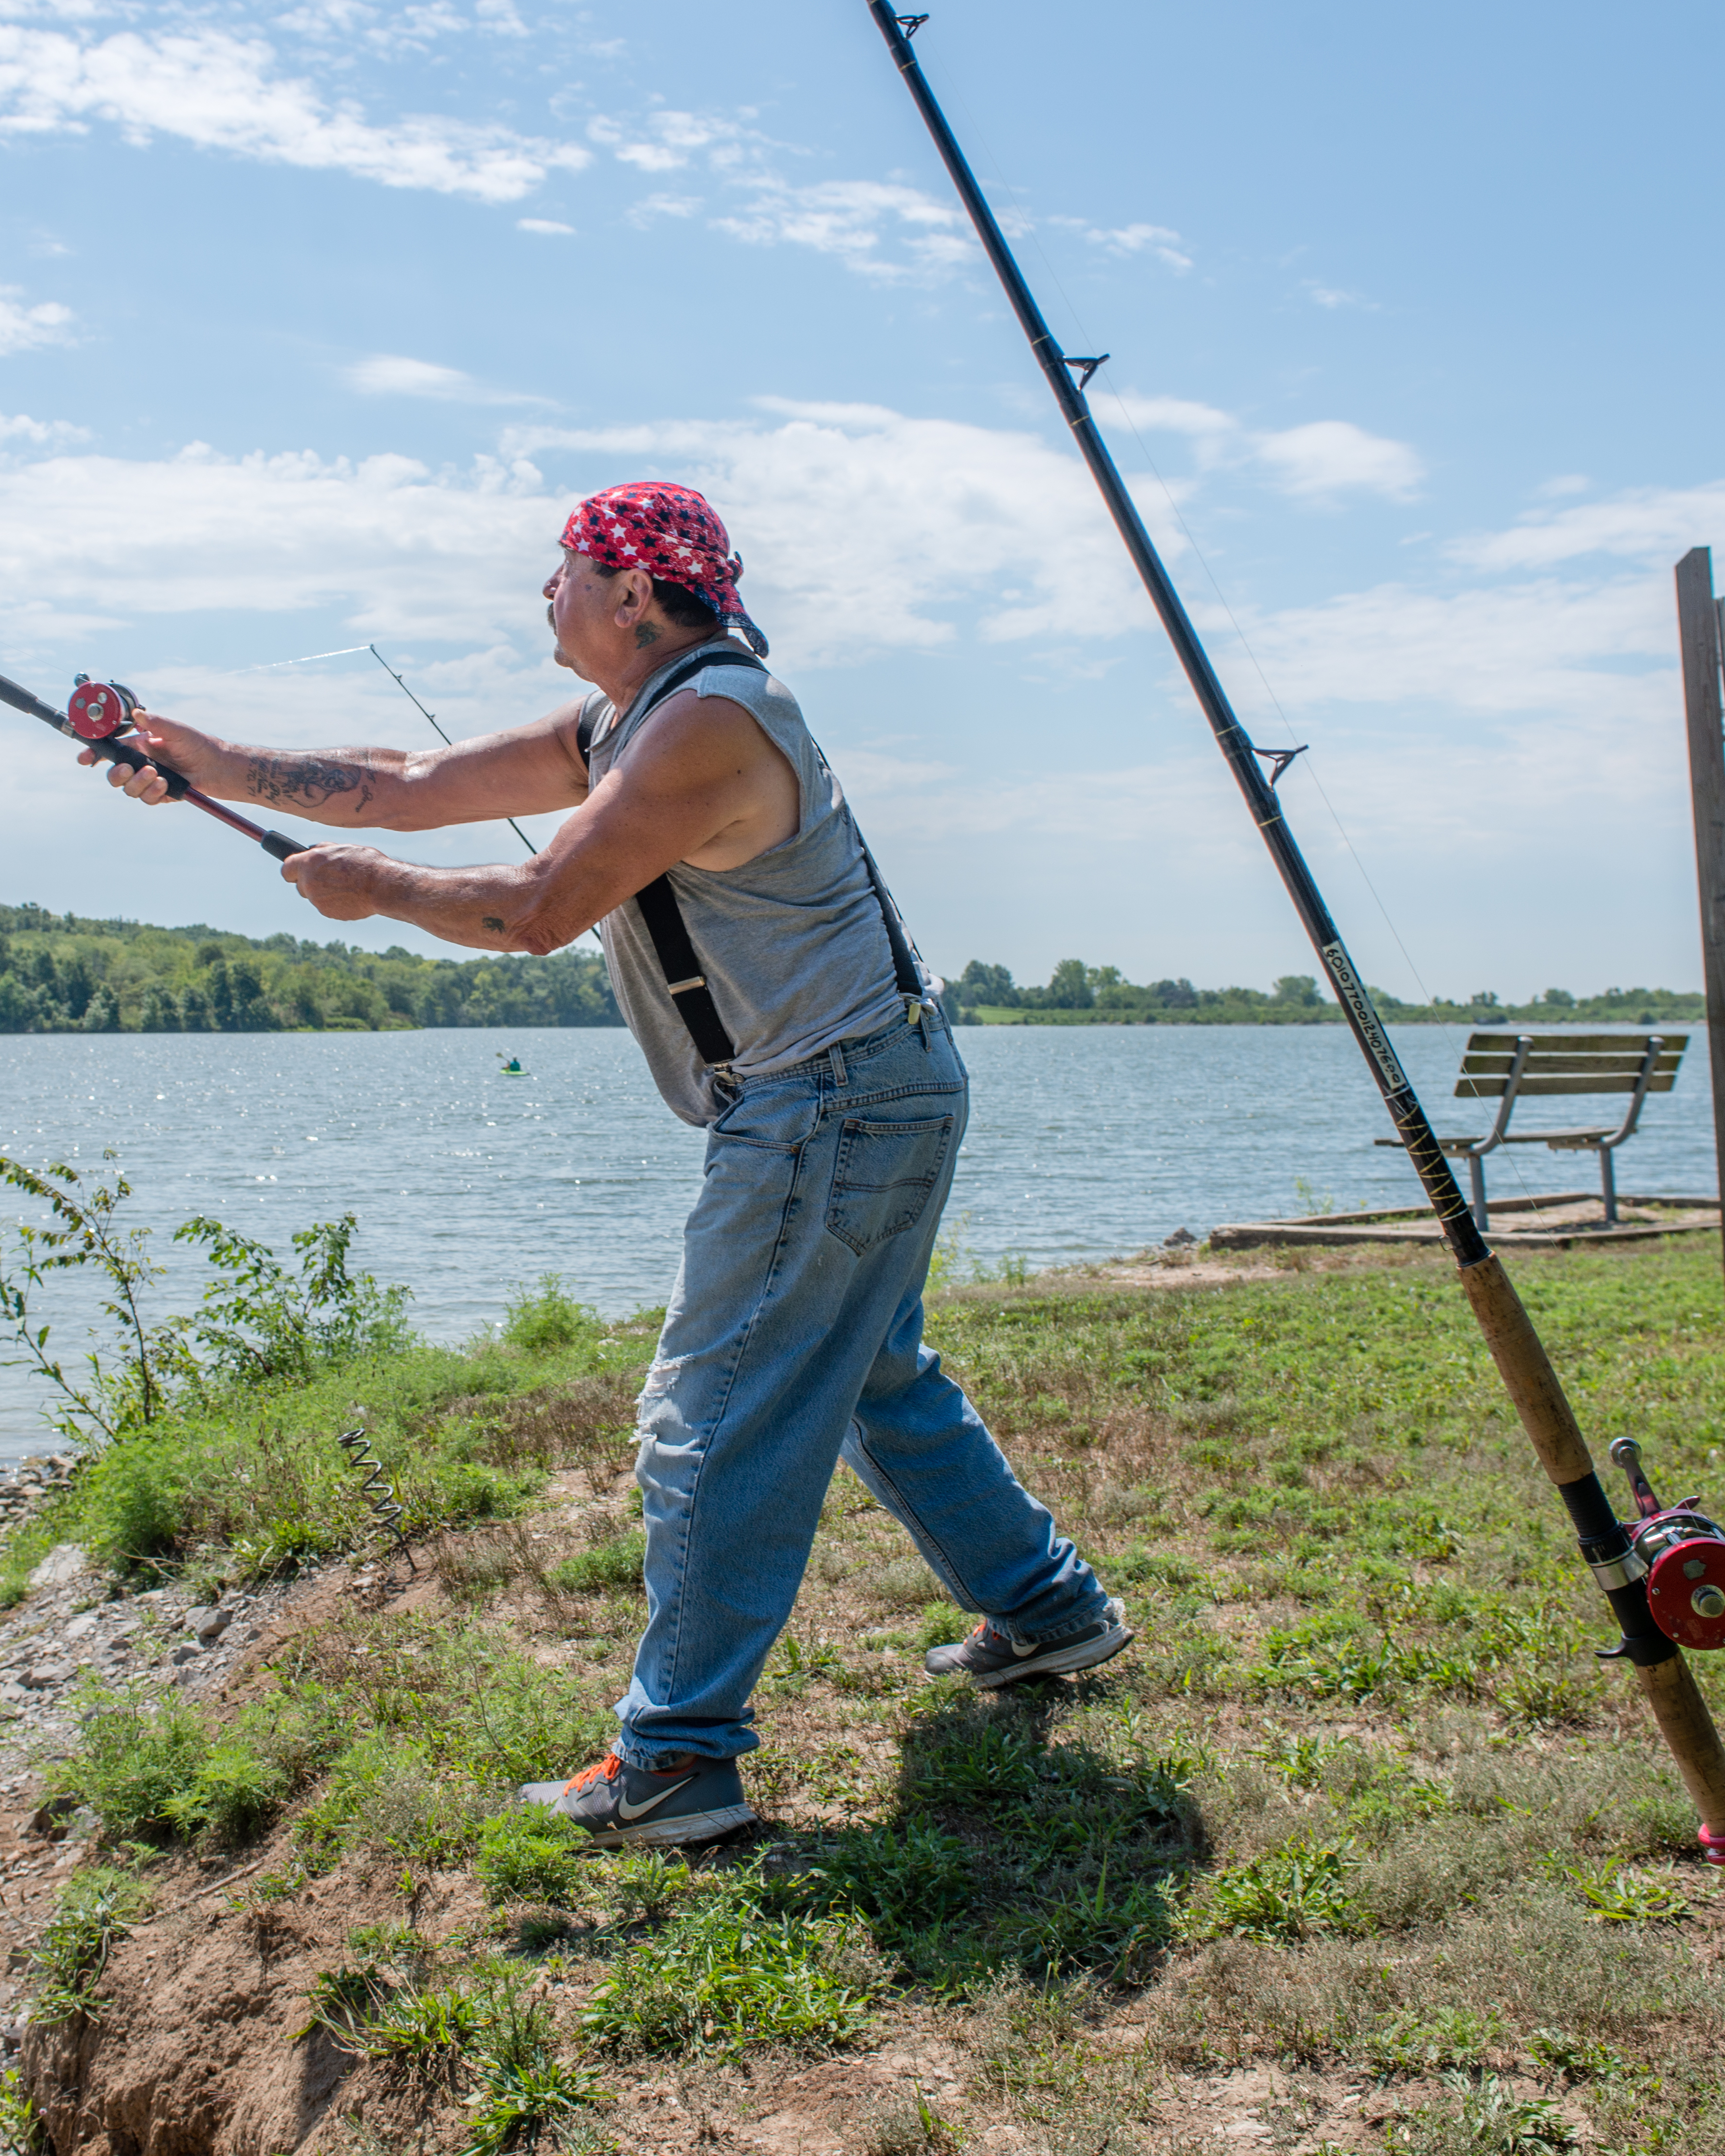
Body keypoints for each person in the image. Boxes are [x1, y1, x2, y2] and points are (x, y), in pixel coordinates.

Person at [80, 481, 1126, 1847]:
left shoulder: (706, 724)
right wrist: (206, 760)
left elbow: (531, 908)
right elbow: (403, 786)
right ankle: (1049, 1610)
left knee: (714, 1410)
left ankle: (680, 1763)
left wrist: (372, 893)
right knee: (868, 1371)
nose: (545, 596)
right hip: (877, 1089)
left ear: (636, 594)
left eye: (563, 572)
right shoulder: (634, 718)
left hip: (830, 1103)